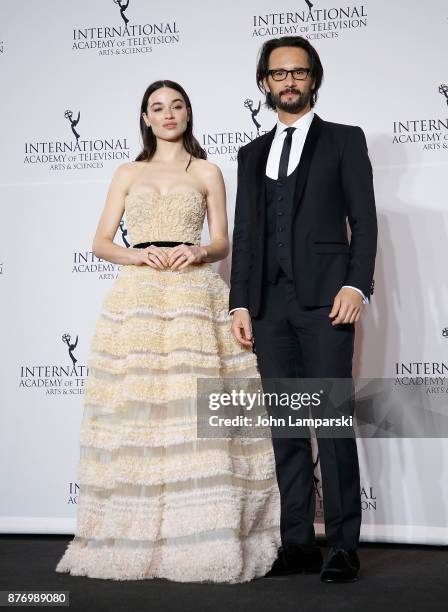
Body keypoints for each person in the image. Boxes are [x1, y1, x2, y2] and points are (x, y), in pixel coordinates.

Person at [55, 80, 281, 583]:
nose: (168, 114)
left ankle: (202, 533)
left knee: (195, 410)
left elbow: (223, 239)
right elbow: (100, 241)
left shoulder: (206, 170)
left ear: (188, 113)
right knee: (140, 411)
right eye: (158, 107)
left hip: (194, 294)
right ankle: (136, 534)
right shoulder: (126, 172)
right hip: (138, 298)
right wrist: (137, 253)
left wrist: (198, 251)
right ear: (146, 117)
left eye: (176, 105)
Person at [229, 36, 377, 583]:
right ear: (264, 83)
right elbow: (246, 234)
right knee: (287, 427)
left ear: (313, 78)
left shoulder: (343, 140)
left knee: (331, 422)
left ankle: (342, 545)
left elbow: (364, 220)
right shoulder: (250, 154)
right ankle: (298, 543)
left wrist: (357, 287)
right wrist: (240, 302)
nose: (288, 81)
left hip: (326, 303)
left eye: (298, 72)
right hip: (268, 307)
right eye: (278, 73)